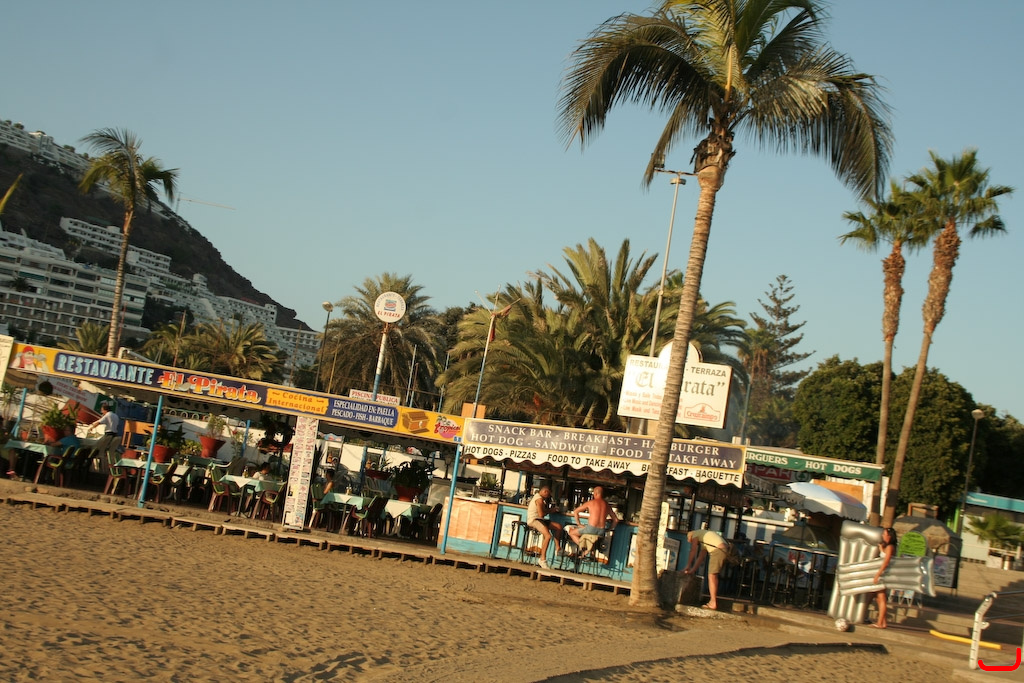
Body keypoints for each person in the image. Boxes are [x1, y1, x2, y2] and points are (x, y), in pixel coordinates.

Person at [684, 528, 729, 610]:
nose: (693, 542)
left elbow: (693, 551)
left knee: (712, 576)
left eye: (691, 541)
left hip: (718, 550)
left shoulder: (694, 535)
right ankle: (713, 601)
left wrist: (688, 565)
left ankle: (713, 602)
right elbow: (700, 557)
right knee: (713, 575)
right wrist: (692, 571)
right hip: (723, 549)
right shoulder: (703, 537)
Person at [567, 486, 618, 551]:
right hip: (601, 531)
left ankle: (584, 548)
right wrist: (609, 529)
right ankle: (590, 549)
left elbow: (576, 511)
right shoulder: (607, 505)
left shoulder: (591, 502)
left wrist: (579, 524)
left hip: (591, 529)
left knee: (571, 533)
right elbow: (616, 520)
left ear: (595, 493)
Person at [526, 485, 563, 569]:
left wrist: (550, 510)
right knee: (548, 536)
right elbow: (541, 514)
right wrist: (551, 510)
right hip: (534, 520)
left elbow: (542, 513)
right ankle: (542, 559)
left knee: (558, 527)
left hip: (539, 519)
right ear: (545, 492)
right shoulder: (539, 499)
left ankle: (558, 549)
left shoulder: (540, 498)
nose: (548, 496)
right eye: (548, 494)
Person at [872, 527, 897, 628]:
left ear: (889, 536)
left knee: (881, 598)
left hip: (885, 574)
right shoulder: (888, 547)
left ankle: (880, 623)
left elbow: (886, 562)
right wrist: (881, 549)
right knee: (879, 598)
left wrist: (878, 574)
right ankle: (883, 622)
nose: (882, 536)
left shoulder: (890, 547)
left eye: (884, 534)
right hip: (884, 574)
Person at [87, 404, 120, 473]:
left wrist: (91, 427)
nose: (102, 412)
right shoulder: (116, 416)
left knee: (95, 448)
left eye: (102, 410)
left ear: (105, 410)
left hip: (108, 435)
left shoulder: (107, 415)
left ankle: (92, 465)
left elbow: (99, 422)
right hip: (115, 435)